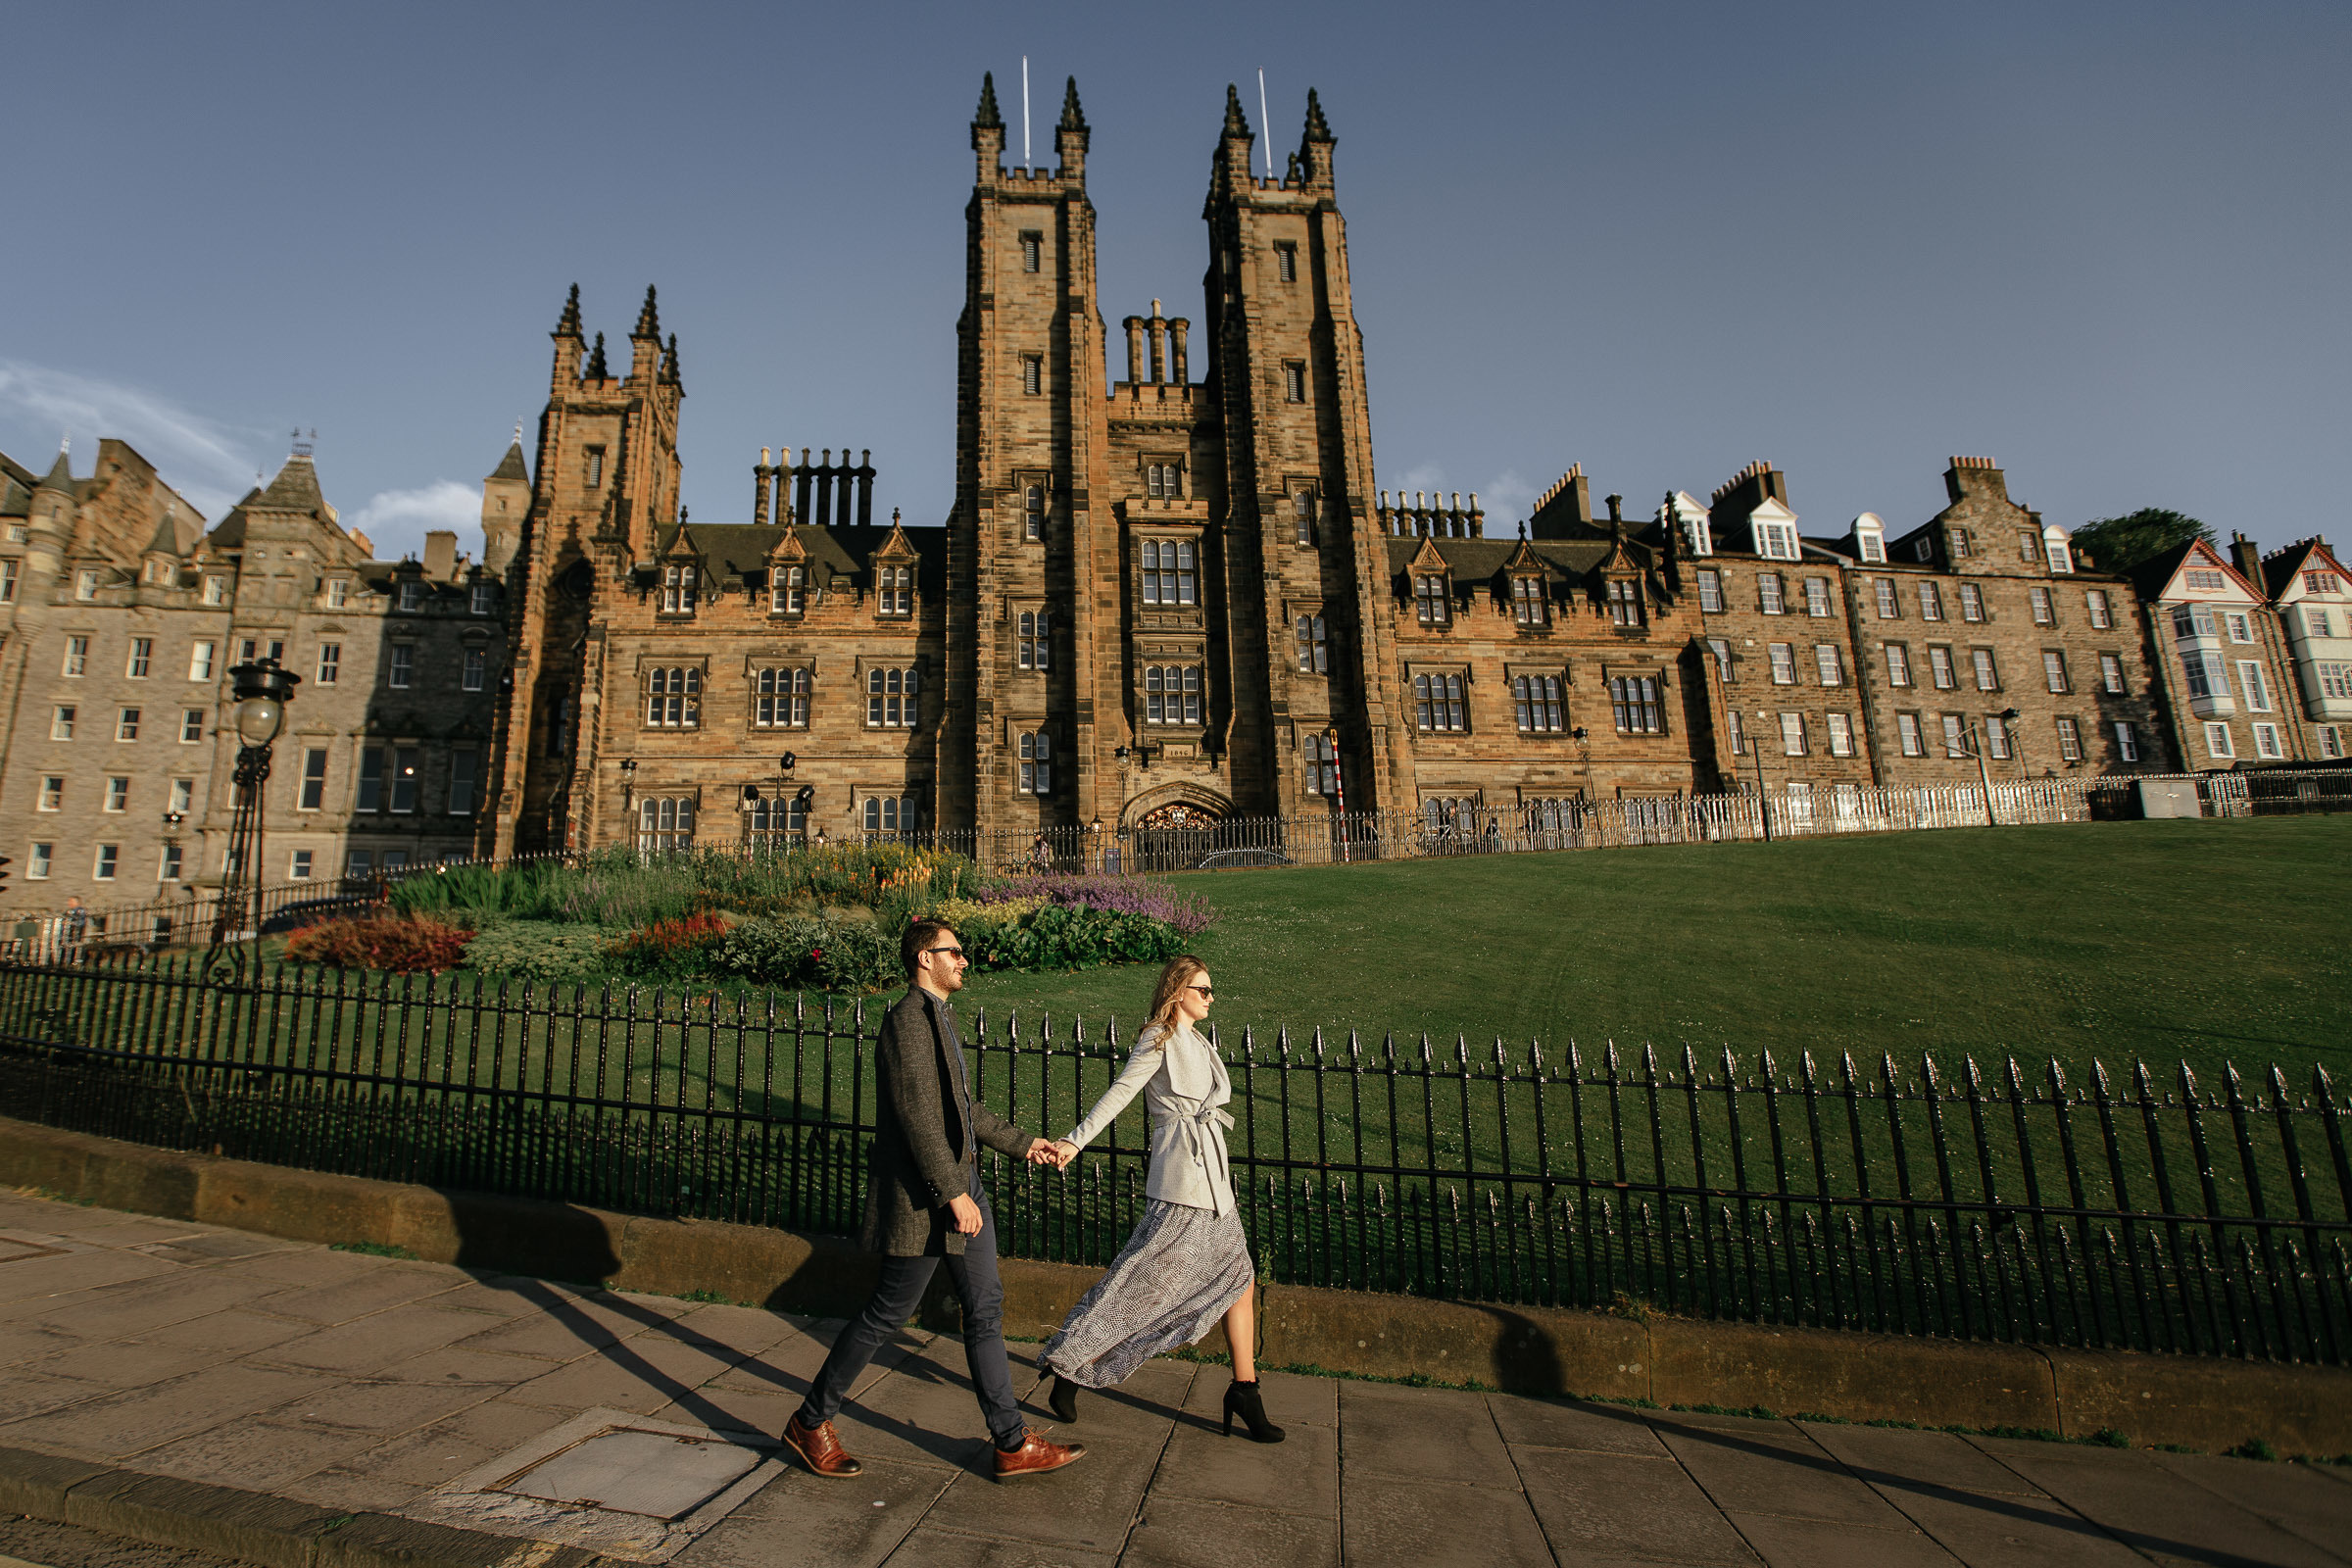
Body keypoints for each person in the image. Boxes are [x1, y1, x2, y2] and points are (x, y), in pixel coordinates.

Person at [782, 918, 1085, 1482]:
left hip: (959, 1188)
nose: (964, 960)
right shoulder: (907, 1022)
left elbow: (961, 1113)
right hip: (928, 1199)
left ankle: (1011, 1442)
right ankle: (809, 1420)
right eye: (955, 952)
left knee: (984, 1309)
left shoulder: (939, 1017)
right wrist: (953, 1194)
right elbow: (919, 1119)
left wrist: (1025, 1145)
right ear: (925, 958)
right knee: (887, 1313)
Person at [1037, 956, 1284, 1444]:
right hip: (1182, 1184)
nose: (1210, 997)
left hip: (1216, 1185)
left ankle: (1246, 1389)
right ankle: (1068, 1367)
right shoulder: (1159, 1037)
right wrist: (1074, 1140)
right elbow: (1122, 1091)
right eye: (1203, 989)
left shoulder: (1198, 1041)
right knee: (1141, 1287)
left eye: (1212, 990)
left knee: (1240, 1279)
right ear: (1178, 990)